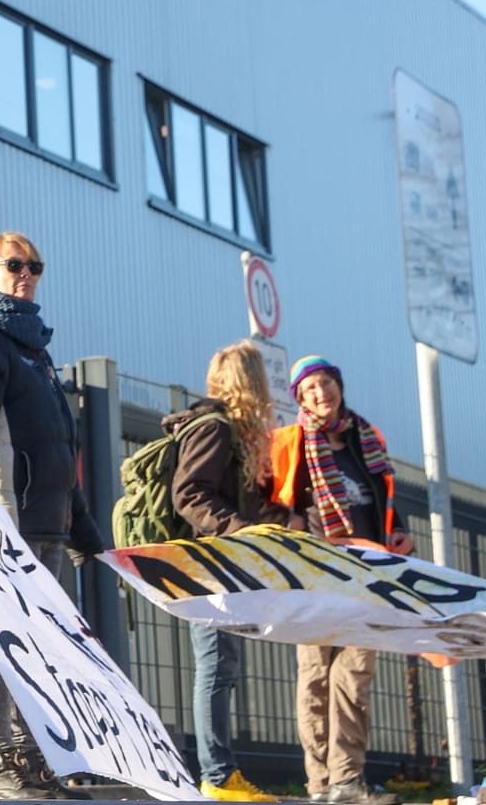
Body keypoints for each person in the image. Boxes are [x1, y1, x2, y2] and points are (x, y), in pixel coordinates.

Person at [0, 232, 105, 799]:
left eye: (35, 265)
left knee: (41, 644)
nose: (26, 273)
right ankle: (1, 765)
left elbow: (60, 447)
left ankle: (37, 760)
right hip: (5, 519)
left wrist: (82, 528)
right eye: (13, 265)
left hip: (47, 524)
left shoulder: (34, 351)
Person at [268, 356, 410, 805]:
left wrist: (398, 529)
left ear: (339, 386)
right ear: (299, 398)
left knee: (354, 674)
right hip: (314, 571)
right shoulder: (290, 442)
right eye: (309, 389)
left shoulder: (364, 438)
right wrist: (287, 530)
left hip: (367, 570)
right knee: (315, 675)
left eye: (325, 383)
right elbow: (268, 498)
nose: (320, 393)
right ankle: (319, 784)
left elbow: (381, 492)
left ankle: (347, 781)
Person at [170, 340, 288, 802]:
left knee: (224, 666)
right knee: (216, 666)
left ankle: (222, 774)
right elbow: (191, 494)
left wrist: (278, 524)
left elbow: (234, 498)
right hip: (209, 564)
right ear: (251, 382)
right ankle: (218, 778)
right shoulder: (214, 427)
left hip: (222, 563)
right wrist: (241, 531)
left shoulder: (230, 433)